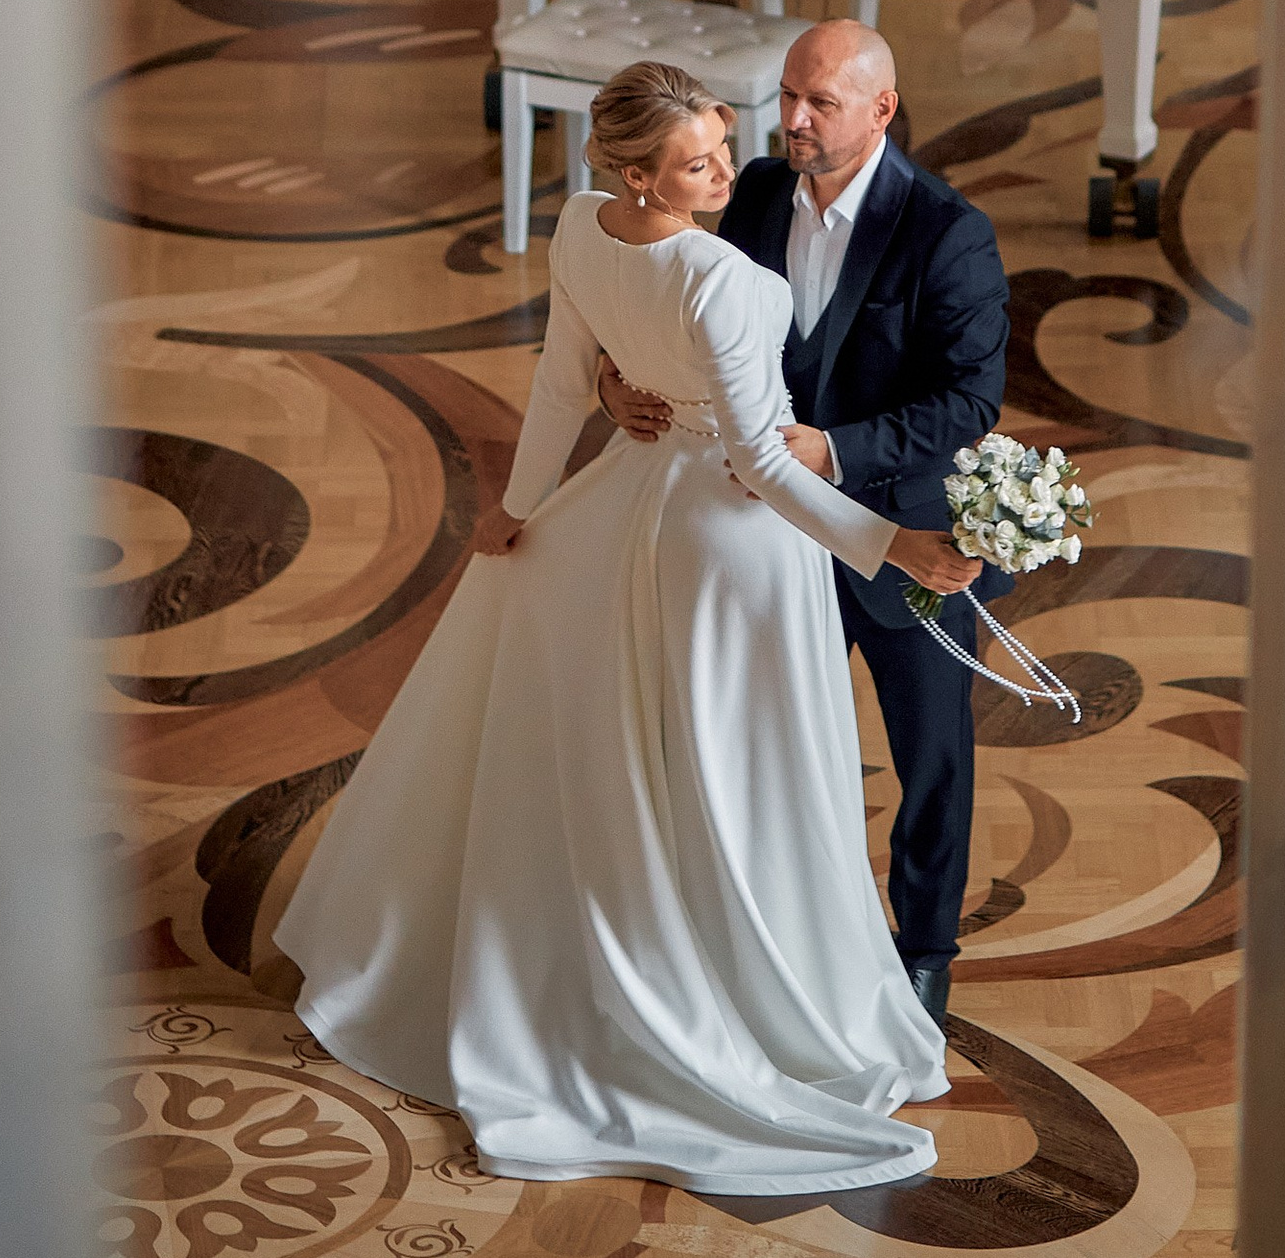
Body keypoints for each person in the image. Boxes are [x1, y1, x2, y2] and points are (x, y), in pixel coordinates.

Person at [276, 59, 977, 1192]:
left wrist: (521, 509)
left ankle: (652, 943)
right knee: (741, 773)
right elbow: (759, 463)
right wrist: (896, 547)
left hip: (628, 500)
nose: (728, 171)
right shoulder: (724, 277)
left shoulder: (577, 225)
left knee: (656, 756)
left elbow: (562, 382)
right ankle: (746, 988)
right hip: (734, 542)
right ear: (641, 175)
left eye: (723, 148)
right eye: (699, 162)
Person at [600, 20, 1010, 1025]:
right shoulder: (748, 195)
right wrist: (614, 383)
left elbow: (969, 401)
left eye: (819, 102)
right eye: (788, 94)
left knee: (930, 757)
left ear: (881, 109)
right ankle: (776, 944)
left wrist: (839, 449)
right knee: (766, 744)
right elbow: (664, 303)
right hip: (766, 534)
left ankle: (925, 953)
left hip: (905, 540)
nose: (791, 118)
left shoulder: (946, 231)